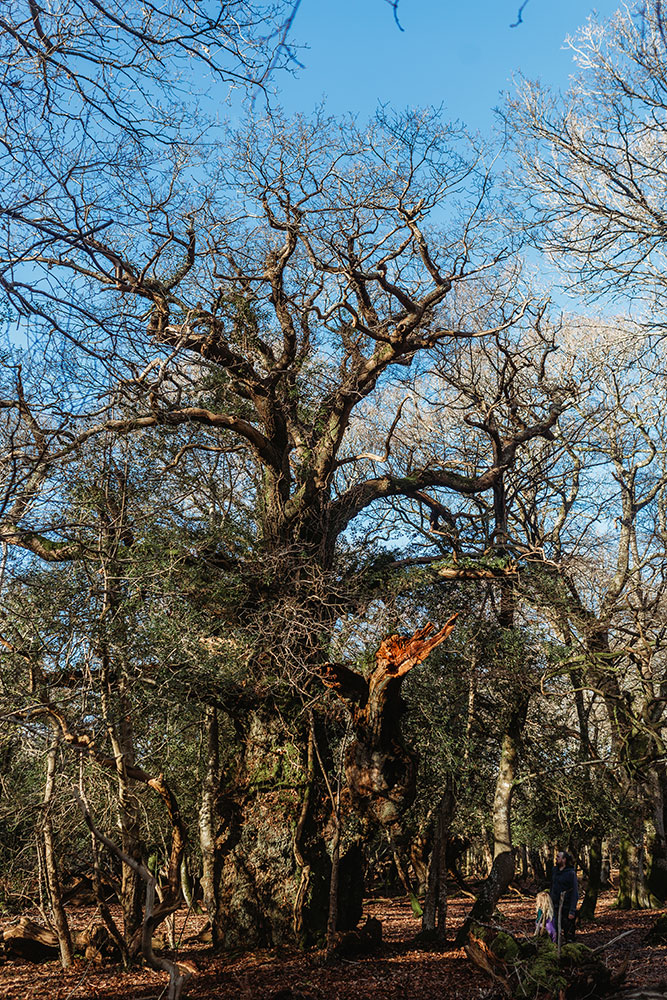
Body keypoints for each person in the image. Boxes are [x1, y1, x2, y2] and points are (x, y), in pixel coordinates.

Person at [550, 850, 578, 943]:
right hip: (555, 906)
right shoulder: (554, 870)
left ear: (564, 859)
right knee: (555, 931)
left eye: (558, 857)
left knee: (568, 933)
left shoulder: (571, 873)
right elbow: (552, 886)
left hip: (567, 907)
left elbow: (575, 892)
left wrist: (572, 910)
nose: (556, 858)